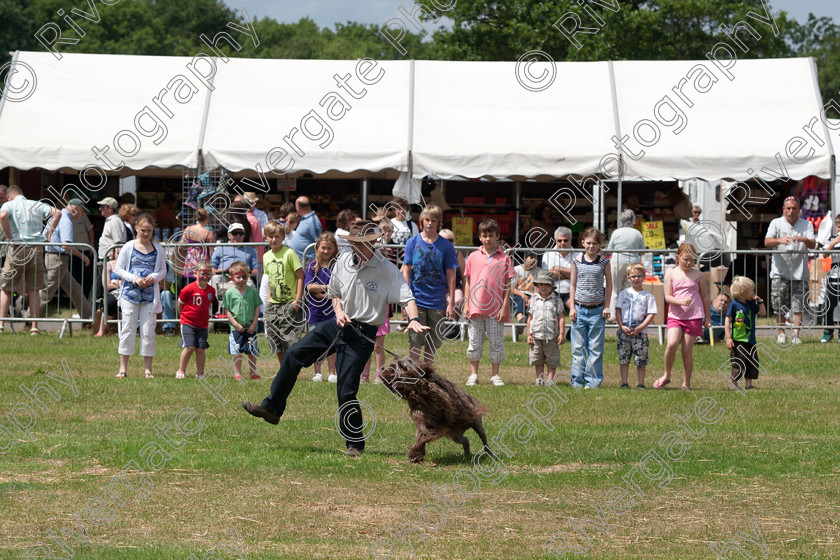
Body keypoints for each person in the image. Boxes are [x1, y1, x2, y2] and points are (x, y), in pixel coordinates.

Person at [241, 220, 428, 457]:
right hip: (338, 324)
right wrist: (338, 311)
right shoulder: (343, 262)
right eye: (354, 243)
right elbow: (336, 293)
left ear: (373, 243)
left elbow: (407, 298)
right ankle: (272, 407)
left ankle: (355, 445)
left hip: (363, 334)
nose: (357, 248)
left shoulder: (386, 269)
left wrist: (412, 319)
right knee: (294, 354)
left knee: (346, 389)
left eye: (363, 244)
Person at [0, 185, 62, 334]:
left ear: (10, 196)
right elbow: (58, 212)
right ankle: (34, 327)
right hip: (36, 248)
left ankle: (1, 324)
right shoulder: (36, 204)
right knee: (34, 289)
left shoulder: (9, 205)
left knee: (6, 288)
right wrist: (49, 231)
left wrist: (10, 237)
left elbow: (2, 216)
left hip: (17, 248)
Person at [402, 204, 457, 365]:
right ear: (421, 221)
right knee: (415, 341)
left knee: (432, 343)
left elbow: (451, 275)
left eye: (433, 220)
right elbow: (406, 270)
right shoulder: (412, 242)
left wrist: (451, 303)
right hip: (416, 300)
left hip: (437, 300)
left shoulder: (446, 246)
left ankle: (427, 374)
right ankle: (414, 373)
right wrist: (405, 299)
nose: (430, 223)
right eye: (427, 219)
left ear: (439, 222)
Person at [463, 218, 515, 387]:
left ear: (497, 236)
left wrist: (504, 306)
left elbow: (508, 284)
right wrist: (466, 304)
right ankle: (473, 374)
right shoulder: (472, 257)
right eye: (484, 235)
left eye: (491, 235)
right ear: (479, 237)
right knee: (474, 343)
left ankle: (495, 374)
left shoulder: (505, 258)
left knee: (496, 343)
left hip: (496, 309)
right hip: (475, 308)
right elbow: (468, 282)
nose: (487, 239)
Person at [114, 213, 166, 379]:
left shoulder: (158, 249)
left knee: (148, 332)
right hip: (130, 294)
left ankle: (148, 369)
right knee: (127, 329)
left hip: (150, 297)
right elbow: (118, 269)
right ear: (136, 228)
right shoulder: (128, 247)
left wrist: (154, 277)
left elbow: (163, 270)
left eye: (149, 230)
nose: (145, 233)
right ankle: (123, 368)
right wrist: (134, 278)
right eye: (143, 230)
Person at [654, 243, 710, 390]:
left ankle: (686, 382)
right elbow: (668, 297)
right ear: (678, 258)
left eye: (692, 260)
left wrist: (708, 318)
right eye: (686, 259)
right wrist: (680, 302)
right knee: (671, 344)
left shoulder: (698, 275)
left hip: (694, 316)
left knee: (686, 350)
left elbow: (705, 297)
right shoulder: (671, 274)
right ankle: (666, 375)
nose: (689, 263)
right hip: (675, 316)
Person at [764, 197, 815, 344]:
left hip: (800, 272)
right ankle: (781, 333)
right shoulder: (776, 223)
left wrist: (805, 239)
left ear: (799, 210)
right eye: (788, 208)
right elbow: (767, 242)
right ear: (783, 209)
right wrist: (779, 240)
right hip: (779, 272)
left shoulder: (806, 224)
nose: (791, 211)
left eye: (794, 208)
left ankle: (795, 334)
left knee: (798, 304)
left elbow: (813, 244)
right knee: (778, 304)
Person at [568, 227, 612, 389]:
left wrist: (607, 306)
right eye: (588, 243)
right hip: (579, 308)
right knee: (578, 348)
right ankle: (577, 380)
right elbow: (572, 285)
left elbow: (610, 286)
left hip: (597, 310)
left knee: (595, 348)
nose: (591, 246)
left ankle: (592, 381)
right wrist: (572, 308)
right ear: (582, 243)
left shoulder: (604, 262)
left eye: (594, 243)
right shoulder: (576, 261)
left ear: (599, 245)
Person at [36, 201, 92, 321]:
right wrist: (82, 256)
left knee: (75, 289)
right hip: (58, 259)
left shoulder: (56, 216)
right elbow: (66, 245)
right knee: (46, 293)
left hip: (54, 258)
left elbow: (44, 237)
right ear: (76, 208)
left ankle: (88, 319)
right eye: (82, 211)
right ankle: (29, 320)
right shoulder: (66, 220)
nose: (82, 215)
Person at [263, 219, 305, 366]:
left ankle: (291, 368)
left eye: (277, 236)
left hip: (289, 303)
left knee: (290, 340)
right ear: (265, 237)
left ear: (283, 237)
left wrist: (297, 300)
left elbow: (301, 276)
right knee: (275, 340)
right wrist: (268, 300)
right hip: (273, 304)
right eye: (270, 236)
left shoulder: (289, 254)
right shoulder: (266, 256)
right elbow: (269, 279)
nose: (274, 239)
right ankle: (283, 369)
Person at [615, 262, 658, 389]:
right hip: (624, 331)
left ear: (644, 277)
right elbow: (618, 310)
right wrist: (621, 326)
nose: (636, 279)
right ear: (628, 278)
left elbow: (651, 313)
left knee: (641, 359)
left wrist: (641, 328)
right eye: (633, 276)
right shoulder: (623, 294)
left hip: (640, 332)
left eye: (639, 276)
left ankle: (640, 383)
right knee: (624, 358)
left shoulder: (648, 296)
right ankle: (624, 382)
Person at [305, 232, 339, 382]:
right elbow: (309, 286)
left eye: (329, 248)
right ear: (317, 248)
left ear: (334, 249)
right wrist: (327, 288)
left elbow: (339, 287)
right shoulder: (312, 266)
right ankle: (317, 372)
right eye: (323, 248)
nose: (326, 251)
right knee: (316, 341)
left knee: (332, 342)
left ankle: (332, 372)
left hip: (333, 310)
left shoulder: (337, 266)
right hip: (315, 311)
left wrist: (323, 291)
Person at [175, 261, 215, 380]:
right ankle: (181, 370)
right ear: (195, 273)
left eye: (208, 274)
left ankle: (200, 373)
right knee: (189, 347)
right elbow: (180, 304)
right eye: (202, 273)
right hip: (188, 323)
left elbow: (208, 304)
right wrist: (184, 316)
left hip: (202, 324)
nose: (205, 277)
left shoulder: (211, 291)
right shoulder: (188, 289)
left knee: (201, 349)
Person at [223, 260, 262, 381]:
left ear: (248, 277)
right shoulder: (229, 293)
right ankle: (237, 373)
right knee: (237, 351)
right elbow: (227, 311)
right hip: (236, 328)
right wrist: (235, 324)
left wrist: (254, 323)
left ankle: (252, 372)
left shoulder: (253, 292)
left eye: (244, 277)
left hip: (251, 327)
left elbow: (257, 307)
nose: (241, 280)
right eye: (238, 277)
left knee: (252, 351)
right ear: (232, 278)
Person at [726, 276, 766, 390]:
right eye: (751, 290)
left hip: (750, 340)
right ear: (743, 292)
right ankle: (734, 383)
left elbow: (762, 313)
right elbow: (727, 320)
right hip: (738, 341)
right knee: (738, 361)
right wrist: (728, 337)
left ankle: (749, 384)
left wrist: (760, 301)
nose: (754, 292)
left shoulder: (751, 304)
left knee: (752, 362)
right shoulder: (733, 304)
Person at [526, 269, 565, 386]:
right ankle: (539, 378)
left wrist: (561, 334)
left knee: (551, 359)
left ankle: (550, 379)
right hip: (536, 335)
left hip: (551, 336)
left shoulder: (557, 301)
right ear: (537, 285)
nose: (544, 287)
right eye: (541, 284)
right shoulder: (534, 301)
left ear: (552, 287)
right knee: (537, 358)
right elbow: (529, 318)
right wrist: (528, 334)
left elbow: (561, 318)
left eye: (547, 284)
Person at [607, 209, 646, 319]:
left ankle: (613, 315)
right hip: (633, 264)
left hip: (617, 262)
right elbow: (642, 251)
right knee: (631, 290)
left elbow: (610, 250)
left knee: (615, 290)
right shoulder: (637, 233)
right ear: (633, 220)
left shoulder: (616, 232)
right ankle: (629, 315)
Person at [210, 223, 259, 309]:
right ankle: (222, 308)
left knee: (250, 284)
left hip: (243, 277)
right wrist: (221, 271)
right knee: (215, 279)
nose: (238, 236)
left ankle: (245, 309)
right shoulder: (220, 248)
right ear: (229, 235)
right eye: (234, 233)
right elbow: (211, 268)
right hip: (224, 276)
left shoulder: (251, 250)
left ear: (244, 235)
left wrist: (248, 272)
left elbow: (256, 270)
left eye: (241, 234)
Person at [541, 226, 574, 310]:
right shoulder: (548, 254)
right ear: (556, 241)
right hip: (552, 290)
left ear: (570, 240)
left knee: (576, 310)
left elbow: (581, 275)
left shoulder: (579, 254)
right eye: (559, 240)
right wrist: (572, 273)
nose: (562, 243)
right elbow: (547, 277)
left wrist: (558, 269)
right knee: (549, 309)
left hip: (573, 291)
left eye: (565, 240)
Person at [820, 215, 840, 343]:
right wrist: (834, 242)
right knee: (828, 305)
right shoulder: (832, 238)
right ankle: (828, 332)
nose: (839, 228)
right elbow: (825, 253)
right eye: (838, 225)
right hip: (834, 278)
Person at [95, 247, 122, 337]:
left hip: (125, 291)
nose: (120, 255)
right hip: (112, 292)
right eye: (118, 252)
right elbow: (107, 285)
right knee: (109, 302)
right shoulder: (108, 265)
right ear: (114, 254)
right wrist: (120, 283)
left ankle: (125, 331)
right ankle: (101, 331)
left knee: (126, 303)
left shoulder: (129, 266)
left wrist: (114, 281)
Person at [438, 228, 466, 316]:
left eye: (450, 240)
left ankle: (454, 326)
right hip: (438, 288)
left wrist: (466, 297)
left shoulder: (458, 254)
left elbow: (464, 277)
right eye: (443, 240)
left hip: (455, 288)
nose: (447, 243)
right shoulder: (434, 254)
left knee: (457, 301)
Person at [289, 196, 322, 261]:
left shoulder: (312, 221)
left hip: (308, 263)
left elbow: (319, 242)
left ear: (298, 208)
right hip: (301, 262)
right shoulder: (305, 219)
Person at [97, 197, 126, 262]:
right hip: (107, 257)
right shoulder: (111, 220)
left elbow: (118, 243)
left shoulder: (114, 221)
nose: (100, 208)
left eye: (102, 206)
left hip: (110, 258)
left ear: (110, 209)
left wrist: (114, 259)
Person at [512, 251, 538, 323]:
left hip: (532, 295)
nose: (533, 260)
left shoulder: (538, 271)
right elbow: (512, 288)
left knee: (533, 302)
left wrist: (532, 298)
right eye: (531, 257)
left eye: (535, 258)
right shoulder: (516, 269)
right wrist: (522, 295)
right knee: (520, 300)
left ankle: (527, 321)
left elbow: (537, 289)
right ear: (525, 258)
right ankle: (520, 317)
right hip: (517, 293)